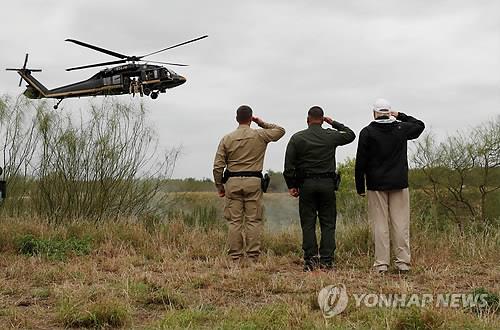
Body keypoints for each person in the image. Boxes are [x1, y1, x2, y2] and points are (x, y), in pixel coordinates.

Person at [355, 98, 425, 274]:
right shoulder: (401, 129)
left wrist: (360, 186)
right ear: (389, 112)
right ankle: (402, 263)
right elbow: (419, 125)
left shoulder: (367, 132)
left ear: (374, 113)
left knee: (380, 224)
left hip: (376, 184)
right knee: (401, 224)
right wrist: (400, 115)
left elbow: (360, 161)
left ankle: (381, 264)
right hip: (399, 183)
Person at [284, 106, 355, 271]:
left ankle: (310, 261)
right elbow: (350, 134)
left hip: (306, 185)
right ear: (323, 119)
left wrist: (292, 185)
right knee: (328, 223)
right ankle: (327, 261)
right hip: (327, 185)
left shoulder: (297, 138)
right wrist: (335, 123)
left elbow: (288, 166)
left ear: (307, 119)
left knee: (308, 223)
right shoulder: (330, 136)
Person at [213, 105, 285, 262]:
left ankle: (235, 257)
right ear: (251, 118)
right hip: (254, 182)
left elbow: (218, 166)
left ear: (236, 118)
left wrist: (219, 187)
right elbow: (280, 130)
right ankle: (253, 256)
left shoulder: (227, 139)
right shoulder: (260, 135)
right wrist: (261, 123)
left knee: (235, 222)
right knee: (253, 220)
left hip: (232, 182)